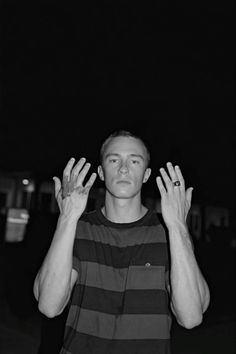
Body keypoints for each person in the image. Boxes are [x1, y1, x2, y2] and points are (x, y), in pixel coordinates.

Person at [33, 130, 210, 354]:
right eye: (114, 160)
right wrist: (67, 218)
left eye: (134, 161)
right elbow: (49, 306)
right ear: (101, 172)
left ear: (146, 175)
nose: (123, 168)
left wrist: (178, 227)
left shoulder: (169, 234)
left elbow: (191, 317)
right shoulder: (78, 228)